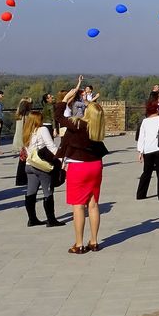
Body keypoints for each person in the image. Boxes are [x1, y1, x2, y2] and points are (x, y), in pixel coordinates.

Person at [57, 100, 107, 254]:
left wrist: (64, 100)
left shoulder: (78, 125)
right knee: (93, 204)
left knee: (78, 205)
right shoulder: (96, 128)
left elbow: (59, 117)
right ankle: (94, 241)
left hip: (78, 166)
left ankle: (79, 243)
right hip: (96, 165)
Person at [22, 110, 66, 227]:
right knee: (48, 192)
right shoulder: (42, 130)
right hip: (41, 165)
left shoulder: (26, 132)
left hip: (29, 164)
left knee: (30, 192)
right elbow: (51, 146)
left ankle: (32, 219)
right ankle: (51, 219)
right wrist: (61, 160)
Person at [136, 93, 159, 201]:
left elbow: (141, 137)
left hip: (147, 149)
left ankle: (141, 194)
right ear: (157, 110)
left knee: (146, 172)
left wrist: (140, 151)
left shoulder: (145, 121)